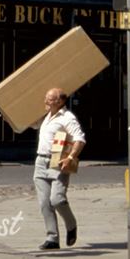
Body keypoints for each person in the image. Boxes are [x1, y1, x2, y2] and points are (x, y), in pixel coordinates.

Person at [33, 87, 85, 250]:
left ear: (60, 101)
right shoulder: (47, 116)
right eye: (46, 98)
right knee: (44, 203)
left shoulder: (67, 118)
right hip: (41, 161)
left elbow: (80, 139)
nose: (45, 101)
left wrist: (70, 158)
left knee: (57, 199)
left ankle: (71, 224)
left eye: (49, 99)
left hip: (58, 161)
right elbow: (29, 125)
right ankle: (52, 238)